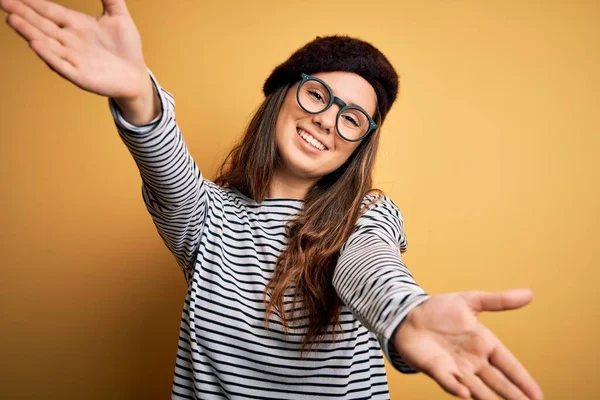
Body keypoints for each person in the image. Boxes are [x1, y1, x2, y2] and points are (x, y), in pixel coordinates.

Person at [1, 0, 545, 399]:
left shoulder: (369, 216)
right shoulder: (207, 218)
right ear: (283, 95)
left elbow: (369, 263)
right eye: (317, 95)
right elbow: (166, 167)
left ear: (360, 143)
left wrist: (406, 314)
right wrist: (137, 94)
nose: (327, 121)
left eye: (352, 118)